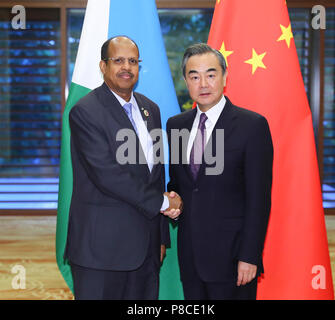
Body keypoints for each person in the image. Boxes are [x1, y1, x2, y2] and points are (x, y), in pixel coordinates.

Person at [64, 36, 182, 300]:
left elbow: (156, 174)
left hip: (146, 249)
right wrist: (163, 204)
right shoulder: (85, 112)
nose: (126, 67)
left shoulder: (151, 109)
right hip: (101, 251)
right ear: (103, 66)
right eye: (118, 60)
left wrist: (161, 237)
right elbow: (108, 174)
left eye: (132, 61)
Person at [166, 43, 273, 300]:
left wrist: (249, 256)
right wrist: (172, 199)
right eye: (194, 76)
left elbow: (259, 199)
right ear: (186, 81)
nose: (203, 83)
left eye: (211, 74)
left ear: (225, 77)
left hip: (233, 259)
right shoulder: (175, 126)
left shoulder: (252, 126)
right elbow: (181, 182)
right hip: (190, 257)